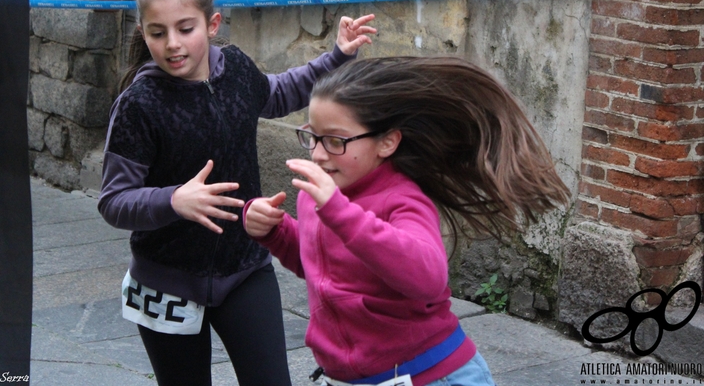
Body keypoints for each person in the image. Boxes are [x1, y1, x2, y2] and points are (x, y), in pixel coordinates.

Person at [97, 0, 377, 386]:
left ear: (212, 24)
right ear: (144, 33)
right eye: (158, 33)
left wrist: (337, 55)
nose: (173, 44)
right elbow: (114, 201)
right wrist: (174, 200)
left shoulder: (237, 69)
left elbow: (280, 92)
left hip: (246, 268)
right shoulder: (139, 104)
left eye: (185, 28)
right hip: (165, 284)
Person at [244, 56, 571, 386]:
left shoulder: (401, 198)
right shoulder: (315, 197)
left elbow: (427, 276)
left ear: (387, 142)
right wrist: (276, 231)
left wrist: (339, 212)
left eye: (335, 141)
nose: (317, 153)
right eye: (312, 136)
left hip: (432, 376)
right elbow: (321, 265)